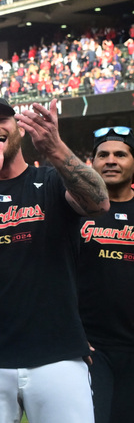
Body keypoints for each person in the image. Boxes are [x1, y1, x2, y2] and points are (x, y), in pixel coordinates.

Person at [0, 97, 108, 423]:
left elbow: (98, 203)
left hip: (57, 355)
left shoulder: (53, 181)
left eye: (3, 118)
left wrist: (57, 150)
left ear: (19, 127)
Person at [80, 126, 134, 423]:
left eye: (120, 154)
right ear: (92, 162)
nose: (111, 160)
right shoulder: (74, 210)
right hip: (89, 348)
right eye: (103, 155)